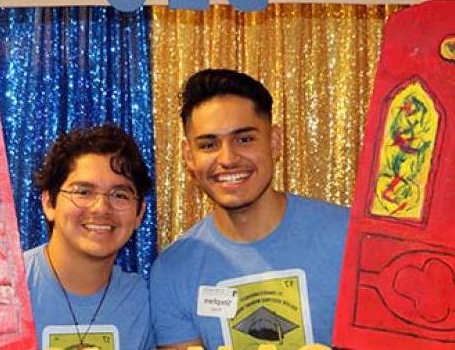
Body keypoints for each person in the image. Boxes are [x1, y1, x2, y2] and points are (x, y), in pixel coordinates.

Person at [150, 69, 349, 350]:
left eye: (244, 139)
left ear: (275, 141)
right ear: (188, 157)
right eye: (208, 145)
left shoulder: (348, 238)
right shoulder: (172, 271)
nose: (228, 159)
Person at [25, 124, 155, 350]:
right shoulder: (5, 290)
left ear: (139, 213)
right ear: (48, 203)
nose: (101, 208)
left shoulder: (144, 302)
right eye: (83, 192)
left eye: (120, 195)